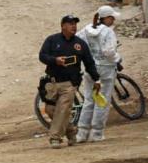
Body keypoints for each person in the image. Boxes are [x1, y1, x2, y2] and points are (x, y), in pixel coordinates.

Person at [39, 15, 101, 149]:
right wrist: (55, 60)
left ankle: (55, 137)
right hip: (52, 83)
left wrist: (97, 79)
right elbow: (42, 56)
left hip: (69, 84)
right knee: (51, 110)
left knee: (63, 109)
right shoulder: (52, 40)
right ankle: (72, 132)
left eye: (75, 24)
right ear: (63, 26)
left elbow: (89, 63)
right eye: (70, 23)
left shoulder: (80, 44)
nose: (74, 26)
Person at [76, 5, 122, 143]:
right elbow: (109, 52)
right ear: (106, 18)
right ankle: (97, 133)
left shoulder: (86, 30)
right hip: (106, 70)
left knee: (89, 100)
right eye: (112, 18)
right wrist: (117, 59)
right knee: (102, 100)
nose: (113, 20)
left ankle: (82, 133)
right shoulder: (108, 32)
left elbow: (77, 42)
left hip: (91, 69)